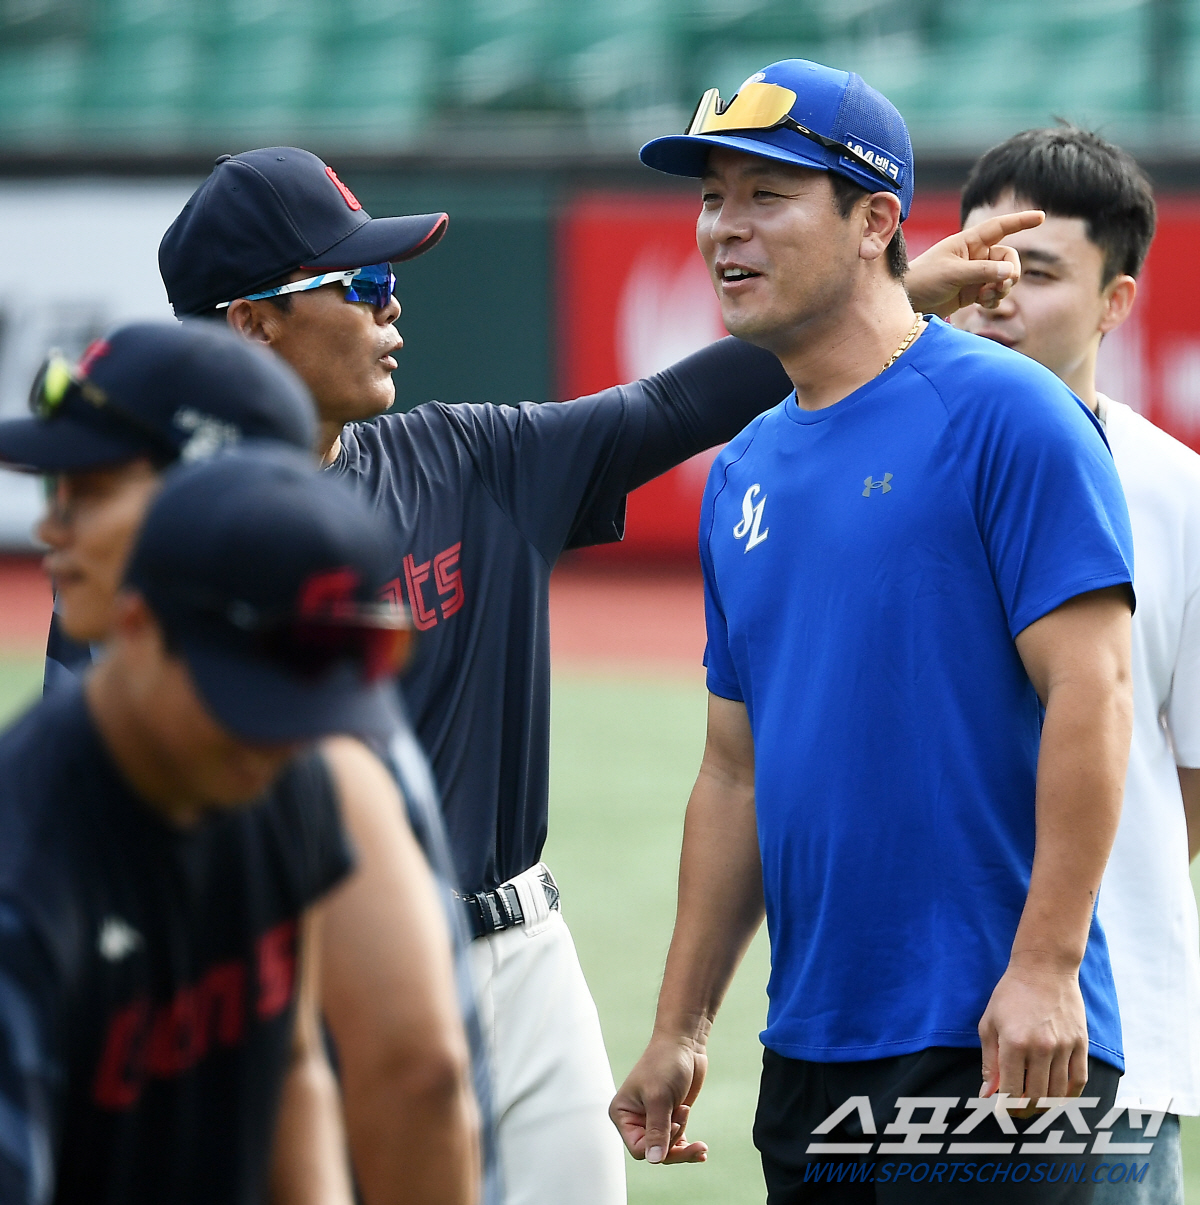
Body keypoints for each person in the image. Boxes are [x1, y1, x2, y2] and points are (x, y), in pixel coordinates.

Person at [153, 144, 1042, 1205]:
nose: (395, 309)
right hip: (322, 976)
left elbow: (668, 408)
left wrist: (893, 290)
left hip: (523, 962)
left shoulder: (468, 460)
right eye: (364, 284)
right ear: (251, 320)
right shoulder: (151, 554)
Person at [613, 58, 1137, 1203]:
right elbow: (735, 770)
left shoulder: (1011, 414)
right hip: (810, 1049)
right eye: (712, 197)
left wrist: (1046, 965)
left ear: (876, 222)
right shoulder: (742, 467)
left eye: (766, 195)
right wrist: (682, 1022)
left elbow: (1094, 692)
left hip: (996, 1043)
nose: (723, 230)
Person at [0, 326, 480, 1205]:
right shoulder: (36, 844)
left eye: (97, 486)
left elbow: (391, 1068)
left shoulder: (293, 745)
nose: (52, 526)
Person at [951, 126, 1200, 1205]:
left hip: (1110, 1036)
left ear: (1116, 303)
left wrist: (1058, 943)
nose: (999, 293)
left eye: (1039, 270)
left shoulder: (1177, 494)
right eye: (985, 261)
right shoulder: (867, 458)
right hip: (896, 1027)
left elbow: (1185, 779)